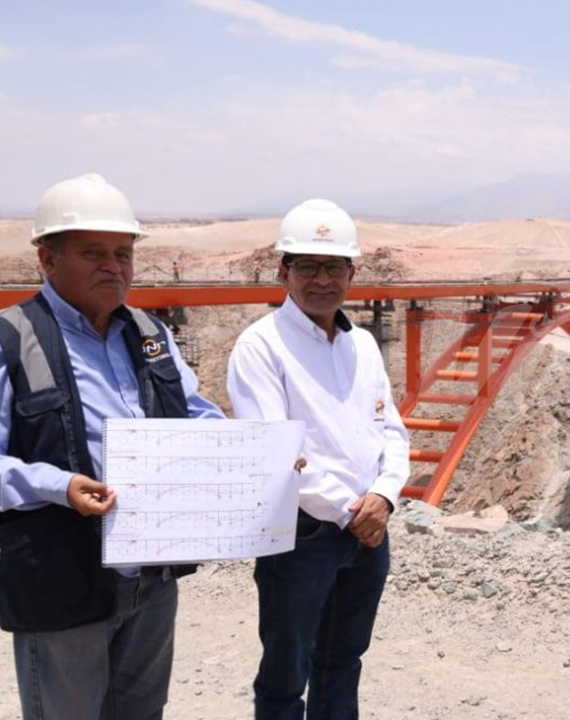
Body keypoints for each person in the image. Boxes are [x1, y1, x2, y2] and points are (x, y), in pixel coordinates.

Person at [0, 173, 224, 719]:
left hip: (150, 578)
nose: (113, 266)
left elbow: (196, 415)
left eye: (123, 253)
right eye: (93, 252)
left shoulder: (150, 334)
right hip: (60, 577)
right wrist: (59, 486)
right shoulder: (4, 339)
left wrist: (254, 453)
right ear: (47, 259)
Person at [227, 198, 410, 720]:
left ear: (353, 273)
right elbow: (276, 453)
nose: (322, 280)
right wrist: (354, 513)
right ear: (283, 271)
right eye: (308, 266)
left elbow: (392, 431)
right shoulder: (261, 346)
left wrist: (384, 497)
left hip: (369, 531)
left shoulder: (363, 346)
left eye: (334, 267)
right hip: (301, 537)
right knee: (285, 678)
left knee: (343, 663)